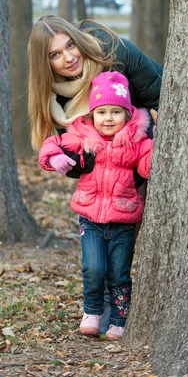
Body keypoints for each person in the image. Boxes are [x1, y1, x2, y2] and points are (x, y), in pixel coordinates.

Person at [38, 71, 153, 340]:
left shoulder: (137, 142)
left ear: (127, 114)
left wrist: (156, 148)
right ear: (92, 115)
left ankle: (119, 320)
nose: (109, 118)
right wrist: (54, 157)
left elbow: (148, 167)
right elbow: (52, 143)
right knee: (93, 268)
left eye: (116, 111)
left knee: (119, 274)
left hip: (123, 221)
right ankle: (91, 312)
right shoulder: (83, 136)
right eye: (102, 112)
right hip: (90, 219)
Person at [28, 15, 162, 152]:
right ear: (45, 64)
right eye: (55, 55)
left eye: (70, 45)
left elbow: (158, 102)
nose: (69, 58)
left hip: (145, 140)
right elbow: (70, 153)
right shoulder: (53, 98)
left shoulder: (114, 51)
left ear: (77, 40)